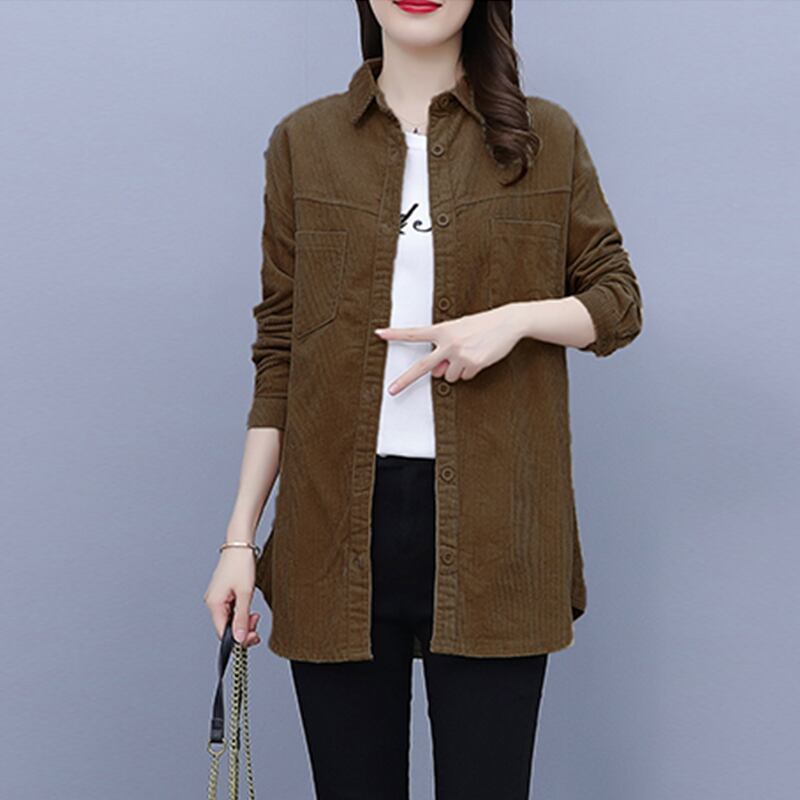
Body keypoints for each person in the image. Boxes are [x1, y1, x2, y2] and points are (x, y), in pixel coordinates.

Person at [204, 1, 644, 797]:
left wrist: (511, 322)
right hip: (332, 532)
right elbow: (280, 353)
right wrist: (241, 538)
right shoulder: (305, 143)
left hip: (498, 532)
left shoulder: (544, 137)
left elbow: (618, 302)